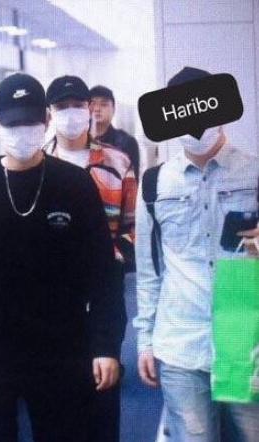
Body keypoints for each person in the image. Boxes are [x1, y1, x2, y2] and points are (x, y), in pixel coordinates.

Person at [0, 73, 126, 442]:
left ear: (46, 120)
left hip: (60, 347)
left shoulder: (74, 184)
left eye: (30, 122)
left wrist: (106, 345)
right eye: (13, 124)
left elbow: (103, 272)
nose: (22, 131)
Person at [134, 66, 259, 442]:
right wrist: (145, 339)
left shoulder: (254, 174)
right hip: (181, 339)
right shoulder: (154, 183)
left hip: (243, 334)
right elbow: (150, 270)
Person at [44, 75, 137, 442]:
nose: (71, 113)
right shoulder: (37, 164)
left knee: (102, 397)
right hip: (50, 300)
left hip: (104, 293)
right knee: (55, 406)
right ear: (50, 113)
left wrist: (110, 259)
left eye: (77, 105)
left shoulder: (117, 162)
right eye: (61, 106)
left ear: (89, 110)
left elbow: (133, 227)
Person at [90, 85, 140, 180]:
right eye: (92, 104)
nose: (97, 109)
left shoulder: (127, 142)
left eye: (103, 104)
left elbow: (132, 182)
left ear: (113, 109)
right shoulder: (78, 140)